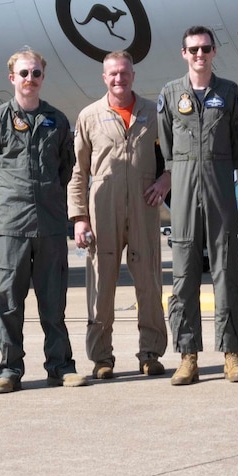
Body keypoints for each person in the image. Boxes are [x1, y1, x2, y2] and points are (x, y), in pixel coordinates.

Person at [0, 50, 86, 391]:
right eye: (23, 73)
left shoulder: (57, 120)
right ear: (12, 78)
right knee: (8, 302)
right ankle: (9, 370)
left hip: (50, 227)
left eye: (36, 73)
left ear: (42, 77)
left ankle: (61, 366)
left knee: (54, 302)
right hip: (11, 228)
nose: (30, 79)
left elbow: (67, 168)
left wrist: (48, 200)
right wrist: (11, 203)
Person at [156, 26, 238, 385]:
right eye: (193, 49)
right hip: (183, 187)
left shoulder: (228, 92)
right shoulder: (170, 92)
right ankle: (187, 356)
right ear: (184, 53)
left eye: (206, 48)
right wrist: (174, 172)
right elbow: (165, 142)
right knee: (183, 275)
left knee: (226, 270)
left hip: (218, 188)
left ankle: (232, 355)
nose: (200, 54)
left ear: (214, 52)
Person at [70, 51, 170, 378]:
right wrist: (79, 218)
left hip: (144, 206)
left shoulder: (153, 113)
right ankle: (102, 359)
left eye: (124, 73)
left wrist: (165, 182)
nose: (119, 78)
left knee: (150, 285)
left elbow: (174, 157)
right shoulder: (89, 116)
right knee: (101, 287)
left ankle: (151, 354)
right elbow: (78, 172)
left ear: (133, 75)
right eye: (113, 74)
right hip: (103, 210)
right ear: (104, 78)